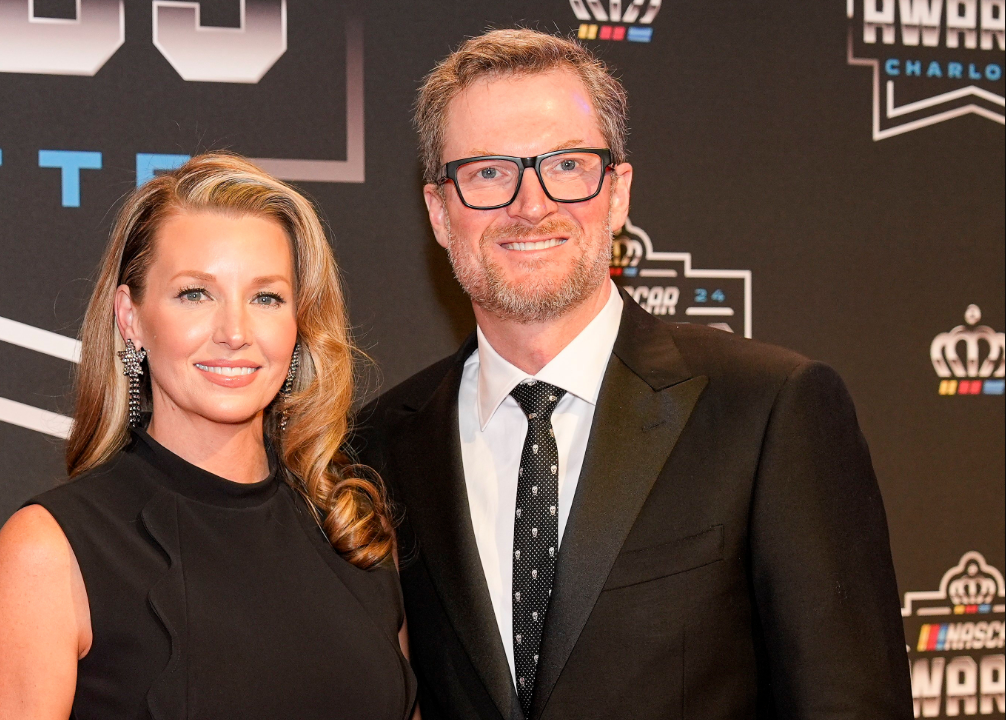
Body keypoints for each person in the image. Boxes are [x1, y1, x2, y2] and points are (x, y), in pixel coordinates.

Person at [353, 29, 912, 720]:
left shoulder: (767, 410)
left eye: (565, 165)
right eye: (489, 171)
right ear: (440, 212)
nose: (530, 204)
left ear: (617, 194)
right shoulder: (379, 446)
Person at [0, 153, 417, 719]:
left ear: (299, 321)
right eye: (195, 294)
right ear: (130, 318)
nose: (234, 332)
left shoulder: (351, 531)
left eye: (266, 297)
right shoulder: (49, 554)